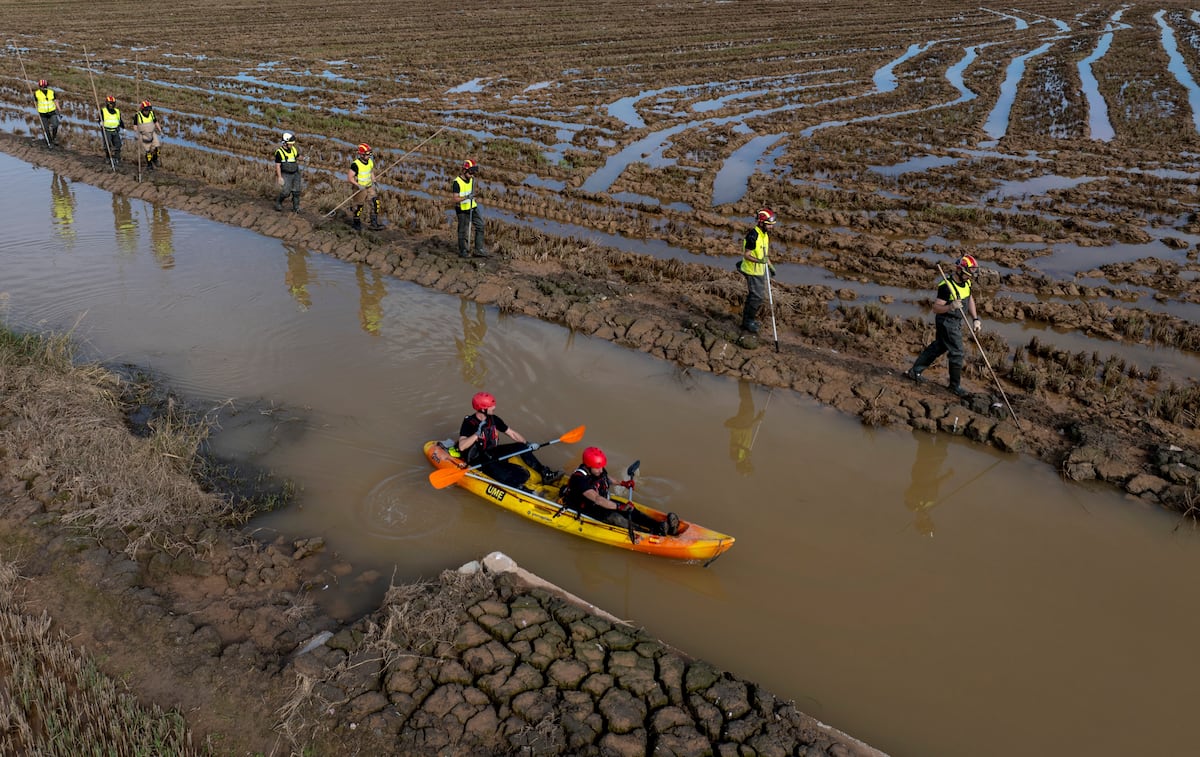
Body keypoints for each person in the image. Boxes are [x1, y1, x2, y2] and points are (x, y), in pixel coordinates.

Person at [904, 254, 982, 397]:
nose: (971, 275)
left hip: (956, 321)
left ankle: (914, 371)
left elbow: (970, 299)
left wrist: (975, 318)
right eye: (969, 272)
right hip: (947, 322)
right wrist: (950, 306)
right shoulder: (947, 286)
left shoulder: (967, 282)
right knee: (957, 353)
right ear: (960, 270)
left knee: (939, 346)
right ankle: (954, 386)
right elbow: (936, 308)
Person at [559, 447, 680, 536]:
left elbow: (606, 478)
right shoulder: (579, 479)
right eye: (598, 467)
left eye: (601, 467)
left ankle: (659, 525)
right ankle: (650, 533)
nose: (601, 470)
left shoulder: (597, 469)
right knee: (617, 518)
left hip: (602, 502)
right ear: (588, 466)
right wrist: (619, 507)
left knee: (632, 511)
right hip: (588, 507)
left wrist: (623, 483)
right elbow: (597, 499)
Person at [457, 392, 561, 490]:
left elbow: (512, 433)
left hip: (492, 452)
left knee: (522, 447)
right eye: (491, 406)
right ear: (483, 409)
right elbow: (462, 446)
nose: (494, 407)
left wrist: (528, 445)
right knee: (516, 475)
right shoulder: (469, 422)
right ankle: (519, 488)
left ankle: (545, 474)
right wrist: (476, 434)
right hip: (479, 459)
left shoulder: (493, 419)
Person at [737, 208, 776, 333]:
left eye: (772, 225)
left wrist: (770, 265)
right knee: (757, 297)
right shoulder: (753, 236)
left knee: (754, 296)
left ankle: (747, 320)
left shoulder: (764, 235)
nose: (771, 227)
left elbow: (764, 254)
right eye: (769, 225)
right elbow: (746, 255)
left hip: (760, 270)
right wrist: (760, 262)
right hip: (752, 271)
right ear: (761, 223)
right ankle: (748, 322)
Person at [449, 158, 486, 258]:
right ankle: (463, 251)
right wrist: (466, 197)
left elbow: (472, 189)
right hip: (461, 209)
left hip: (472, 207)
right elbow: (455, 198)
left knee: (480, 225)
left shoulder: (472, 179)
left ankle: (478, 249)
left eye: (474, 173)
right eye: (470, 172)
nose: (472, 175)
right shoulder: (457, 182)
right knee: (462, 231)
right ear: (464, 170)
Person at [347, 143, 382, 230]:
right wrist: (358, 185)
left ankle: (374, 223)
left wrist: (375, 181)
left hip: (369, 186)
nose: (369, 155)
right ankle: (356, 224)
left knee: (375, 203)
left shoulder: (370, 161)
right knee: (359, 206)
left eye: (370, 153)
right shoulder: (355, 164)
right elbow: (350, 178)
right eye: (367, 153)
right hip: (360, 188)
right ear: (361, 154)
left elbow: (371, 172)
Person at [273, 132, 301, 212]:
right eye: (290, 143)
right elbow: (277, 165)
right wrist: (279, 177)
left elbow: (298, 157)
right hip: (286, 174)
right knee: (286, 192)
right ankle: (278, 202)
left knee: (296, 192)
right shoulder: (279, 152)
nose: (292, 145)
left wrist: (305, 158)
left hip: (295, 173)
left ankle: (296, 208)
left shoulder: (293, 149)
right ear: (285, 143)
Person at [133, 100, 163, 170]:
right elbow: (135, 126)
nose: (148, 111)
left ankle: (155, 159)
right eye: (146, 110)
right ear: (143, 109)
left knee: (157, 148)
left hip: (152, 133)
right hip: (144, 135)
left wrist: (160, 130)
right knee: (148, 151)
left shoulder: (152, 113)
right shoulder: (138, 115)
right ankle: (149, 165)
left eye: (149, 110)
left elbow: (155, 122)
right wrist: (136, 134)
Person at [34, 78, 61, 145]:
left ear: (47, 86)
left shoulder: (51, 92)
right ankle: (49, 141)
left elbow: (55, 101)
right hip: (42, 113)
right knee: (45, 128)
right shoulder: (36, 93)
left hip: (52, 112)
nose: (43, 88)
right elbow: (35, 101)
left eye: (45, 86)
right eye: (42, 86)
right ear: (39, 87)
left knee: (55, 125)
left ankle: (54, 138)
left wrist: (59, 109)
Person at [100, 95, 123, 163]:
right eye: (110, 103)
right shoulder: (103, 111)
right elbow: (100, 120)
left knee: (118, 144)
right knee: (107, 145)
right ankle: (108, 157)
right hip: (106, 130)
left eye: (112, 103)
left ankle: (117, 158)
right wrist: (101, 123)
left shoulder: (117, 111)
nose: (111, 105)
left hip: (115, 130)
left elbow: (120, 120)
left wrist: (123, 128)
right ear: (107, 103)